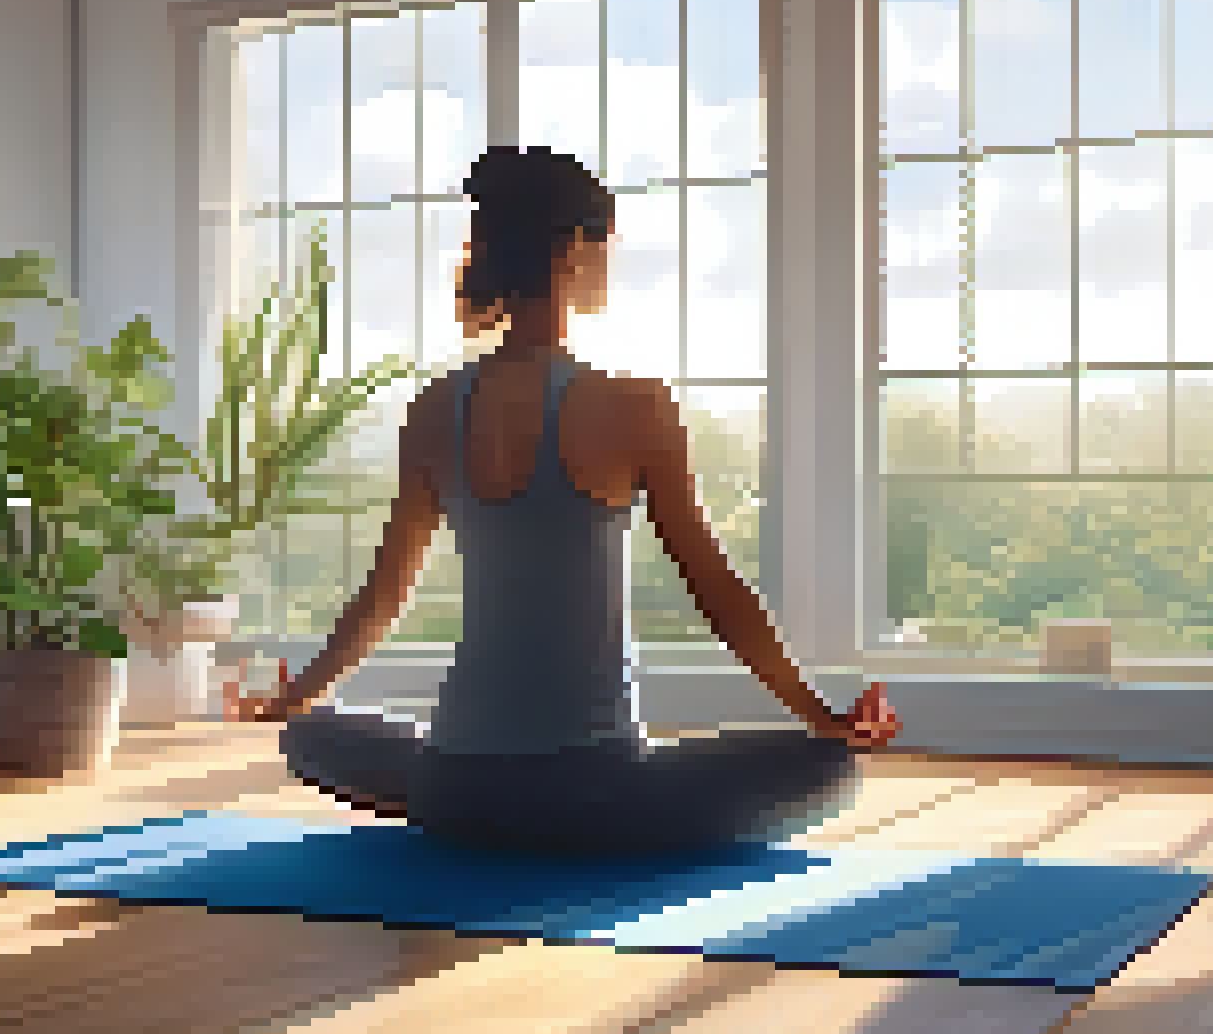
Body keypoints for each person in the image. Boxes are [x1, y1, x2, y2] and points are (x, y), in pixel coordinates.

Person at [224, 145, 901, 855]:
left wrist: (294, 699)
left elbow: (382, 595)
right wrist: (821, 716)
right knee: (828, 769)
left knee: (315, 735)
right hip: (596, 795)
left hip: (456, 785)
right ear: (576, 246)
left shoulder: (432, 410)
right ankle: (555, 813)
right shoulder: (635, 406)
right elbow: (716, 588)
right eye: (605, 243)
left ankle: (451, 796)